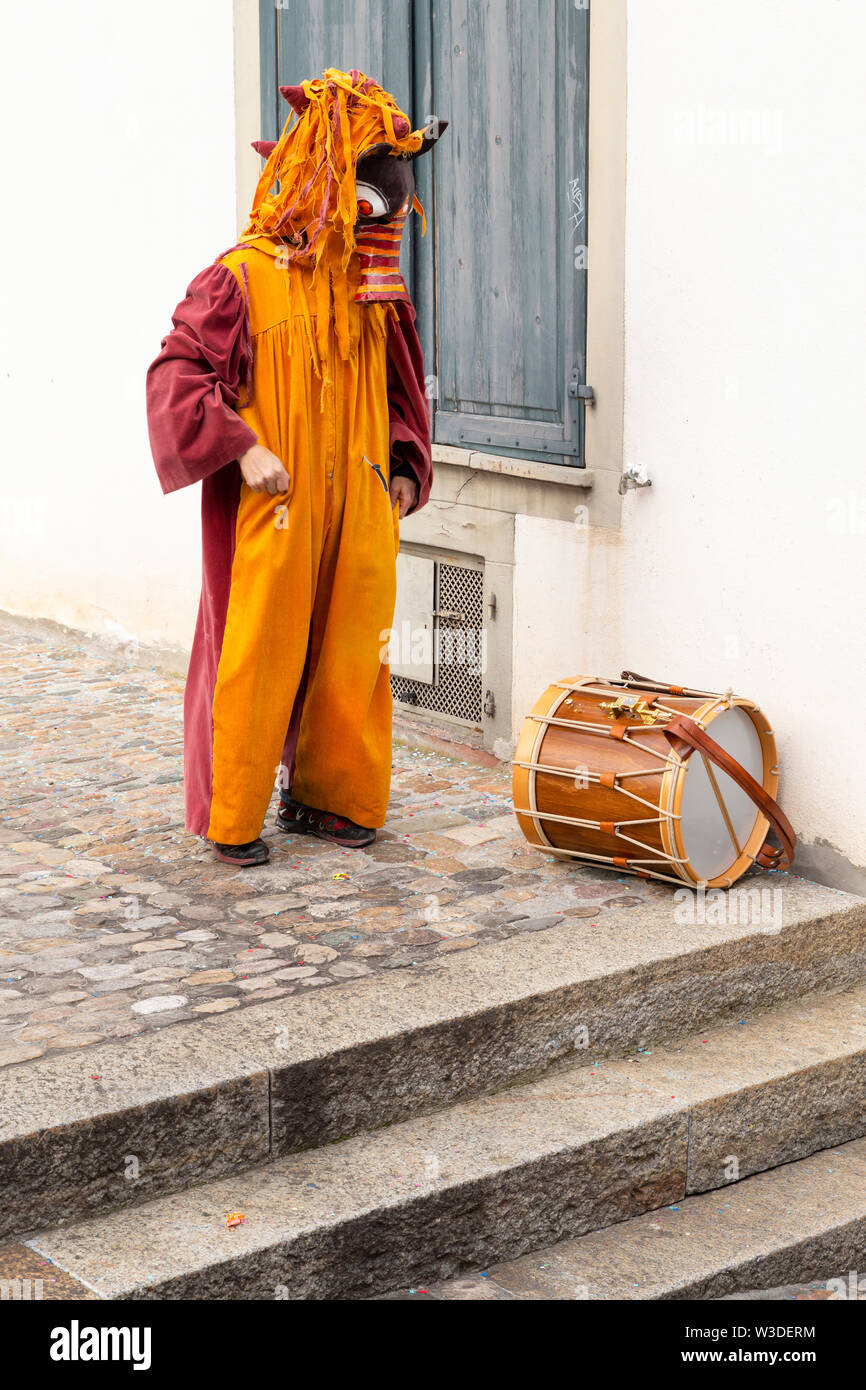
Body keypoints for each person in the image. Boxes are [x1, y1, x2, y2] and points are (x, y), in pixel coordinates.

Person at [146, 68, 445, 865]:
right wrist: (243, 448)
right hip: (273, 505)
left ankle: (330, 799)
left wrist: (405, 467)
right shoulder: (242, 277)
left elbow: (397, 388)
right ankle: (234, 812)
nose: (380, 232)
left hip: (358, 500)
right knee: (256, 650)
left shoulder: (371, 286)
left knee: (356, 651)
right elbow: (178, 377)